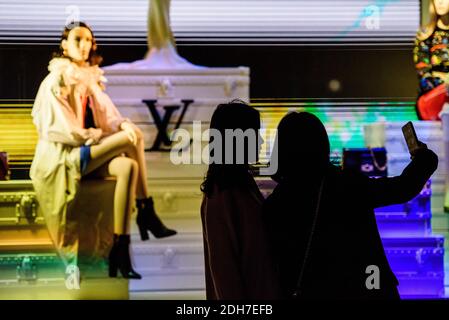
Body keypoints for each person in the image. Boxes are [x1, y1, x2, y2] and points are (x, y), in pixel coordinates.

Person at [30, 21, 176, 279]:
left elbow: (110, 116)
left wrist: (122, 123)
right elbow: (66, 132)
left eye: (89, 41)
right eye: (78, 39)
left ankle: (120, 249)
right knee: (132, 139)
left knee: (128, 165)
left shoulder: (89, 79)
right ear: (64, 45)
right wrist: (102, 135)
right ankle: (146, 211)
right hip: (65, 157)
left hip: (87, 153)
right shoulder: (56, 79)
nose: (85, 45)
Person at [263, 112, 438, 299]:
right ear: (322, 145)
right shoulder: (346, 185)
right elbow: (402, 188)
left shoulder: (276, 203)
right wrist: (424, 159)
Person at [200, 101, 280, 300]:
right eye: (254, 134)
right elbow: (224, 272)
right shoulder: (223, 195)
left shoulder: (241, 184)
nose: (260, 141)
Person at [414, 0, 449, 120]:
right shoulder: (425, 34)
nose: (440, 2)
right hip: (435, 95)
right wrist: (444, 85)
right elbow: (423, 72)